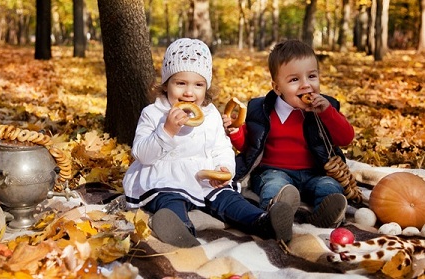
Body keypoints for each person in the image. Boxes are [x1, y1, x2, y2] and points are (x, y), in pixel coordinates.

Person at [122, 38, 295, 248]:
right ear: (166, 84)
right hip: (165, 176)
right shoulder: (153, 113)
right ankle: (180, 231)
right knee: (170, 200)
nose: (189, 92)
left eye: (198, 85)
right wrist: (166, 131)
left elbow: (221, 148)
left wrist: (224, 169)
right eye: (180, 83)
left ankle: (264, 222)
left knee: (229, 198)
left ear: (206, 87)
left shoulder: (210, 114)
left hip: (203, 177)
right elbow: (141, 154)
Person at [222, 39, 354, 228]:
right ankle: (276, 215)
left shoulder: (325, 109)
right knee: (275, 186)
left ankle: (326, 216)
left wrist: (328, 114)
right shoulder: (262, 110)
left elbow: (346, 138)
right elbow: (250, 145)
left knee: (329, 186)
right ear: (277, 88)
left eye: (312, 76)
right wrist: (235, 132)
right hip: (273, 170)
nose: (305, 85)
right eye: (294, 80)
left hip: (314, 172)